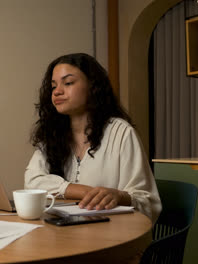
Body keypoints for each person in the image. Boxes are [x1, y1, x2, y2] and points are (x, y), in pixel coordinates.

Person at [25, 53, 161, 223]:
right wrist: (83, 191)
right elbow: (32, 182)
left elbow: (147, 201)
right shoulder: (53, 135)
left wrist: (117, 195)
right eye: (53, 86)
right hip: (64, 233)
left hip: (111, 235)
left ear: (92, 86)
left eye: (68, 83)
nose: (57, 91)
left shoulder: (120, 132)